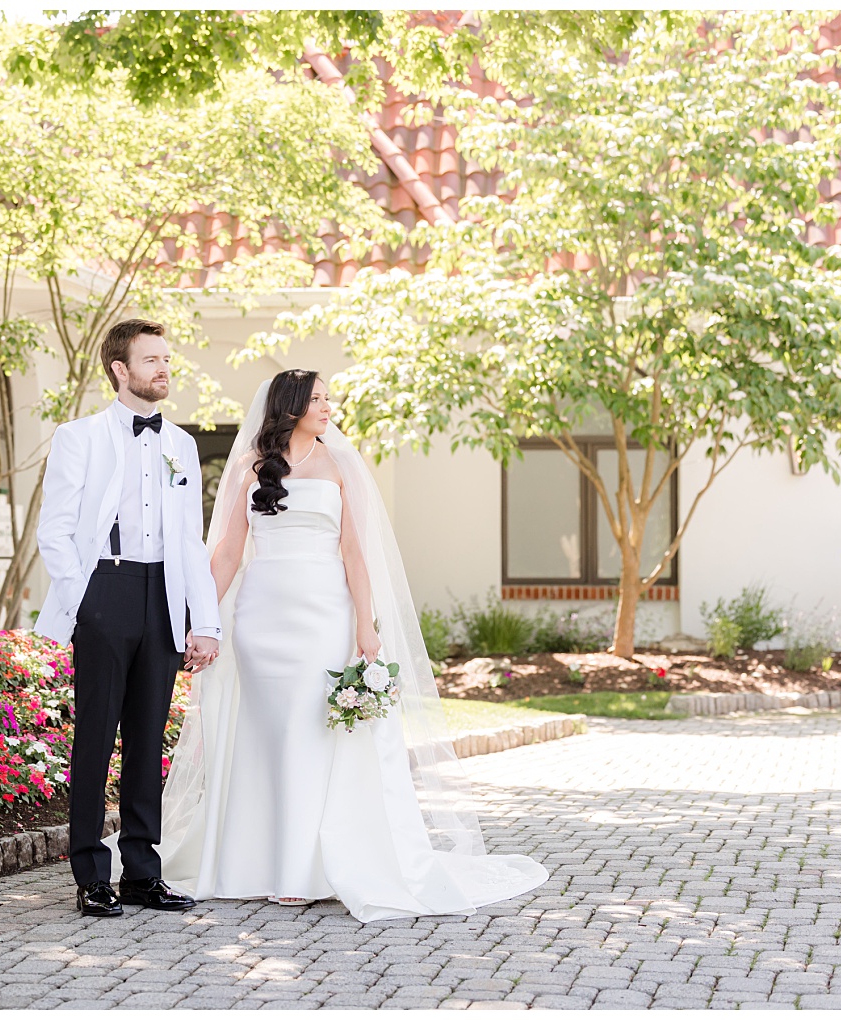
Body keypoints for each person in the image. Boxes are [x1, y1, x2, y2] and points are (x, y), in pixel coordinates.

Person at [156, 370, 549, 921]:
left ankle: (301, 869)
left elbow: (356, 556)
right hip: (260, 617)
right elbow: (225, 553)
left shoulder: (340, 465)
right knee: (264, 735)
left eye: (326, 398)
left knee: (308, 732)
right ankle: (251, 862)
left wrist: (366, 627)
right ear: (289, 407)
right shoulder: (249, 466)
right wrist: (202, 623)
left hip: (324, 617)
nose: (327, 406)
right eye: (316, 399)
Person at [34, 318, 222, 918]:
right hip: (104, 587)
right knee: (95, 737)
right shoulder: (78, 437)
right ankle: (91, 874)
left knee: (147, 740)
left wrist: (205, 620)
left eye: (167, 360)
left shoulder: (183, 445)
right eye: (151, 361)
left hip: (162, 590)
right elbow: (55, 531)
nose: (164, 370)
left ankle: (143, 871)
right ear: (120, 369)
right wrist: (83, 597)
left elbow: (190, 541)